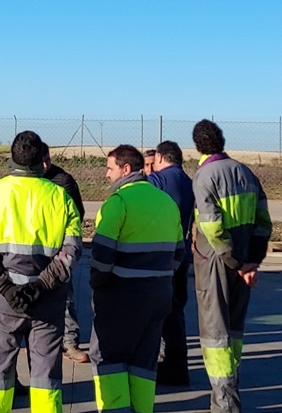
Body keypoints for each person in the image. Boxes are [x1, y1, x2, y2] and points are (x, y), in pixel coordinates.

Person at [0, 130, 81, 413]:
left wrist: (6, 287)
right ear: (41, 162)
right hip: (47, 302)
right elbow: (71, 252)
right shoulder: (60, 197)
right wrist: (41, 285)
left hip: (1, 303)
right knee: (45, 377)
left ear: (12, 158)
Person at [88, 144, 183, 412]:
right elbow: (179, 254)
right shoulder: (166, 202)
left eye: (110, 168)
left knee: (108, 357)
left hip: (122, 297)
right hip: (160, 295)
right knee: (144, 362)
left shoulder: (119, 203)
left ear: (125, 169)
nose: (107, 175)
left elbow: (101, 256)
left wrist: (100, 285)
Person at [189, 120, 272, 413]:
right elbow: (264, 222)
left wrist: (234, 261)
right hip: (245, 262)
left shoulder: (203, 177)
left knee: (215, 332)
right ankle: (231, 388)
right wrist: (251, 262)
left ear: (198, 146)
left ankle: (224, 402)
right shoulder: (247, 173)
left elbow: (211, 227)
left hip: (216, 263)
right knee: (235, 329)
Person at [145, 141, 196, 388]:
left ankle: (173, 367)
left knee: (166, 313)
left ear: (161, 157)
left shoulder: (158, 181)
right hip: (182, 254)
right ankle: (176, 363)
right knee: (176, 311)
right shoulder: (189, 182)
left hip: (162, 257)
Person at [40, 146, 88, 363]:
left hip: (59, 249)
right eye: (41, 160)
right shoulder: (26, 182)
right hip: (35, 249)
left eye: (48, 159)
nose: (45, 165)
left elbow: (77, 213)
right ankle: (41, 340)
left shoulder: (62, 180)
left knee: (64, 296)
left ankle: (69, 342)